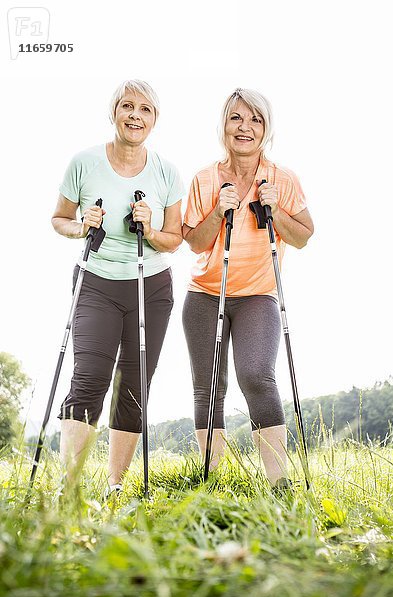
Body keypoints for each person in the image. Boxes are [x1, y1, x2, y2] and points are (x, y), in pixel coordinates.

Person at [52, 79, 184, 493]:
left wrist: (150, 227)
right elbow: (59, 218)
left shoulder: (166, 172)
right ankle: (69, 489)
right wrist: (80, 228)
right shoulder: (84, 162)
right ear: (114, 112)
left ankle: (114, 487)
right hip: (96, 283)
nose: (135, 116)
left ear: (154, 119)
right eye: (127, 106)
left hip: (151, 287)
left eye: (145, 109)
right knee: (88, 378)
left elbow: (175, 238)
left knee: (133, 386)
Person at [182, 88, 314, 486]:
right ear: (224, 125)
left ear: (266, 129)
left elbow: (305, 235)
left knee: (257, 375)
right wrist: (219, 211)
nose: (246, 127)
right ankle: (211, 482)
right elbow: (194, 240)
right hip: (206, 294)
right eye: (237, 118)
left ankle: (279, 484)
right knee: (209, 387)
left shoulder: (283, 179)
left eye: (255, 119)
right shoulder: (205, 179)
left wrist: (278, 211)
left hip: (258, 294)